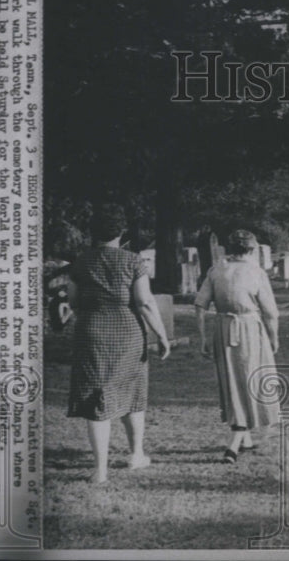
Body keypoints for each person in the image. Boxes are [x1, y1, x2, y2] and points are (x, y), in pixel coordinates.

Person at [66, 204, 171, 484]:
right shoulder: (133, 261)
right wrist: (161, 336)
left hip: (91, 334)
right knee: (132, 392)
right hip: (127, 333)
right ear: (120, 232)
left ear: (93, 232)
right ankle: (136, 455)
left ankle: (100, 471)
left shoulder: (81, 262)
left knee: (96, 397)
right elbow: (145, 302)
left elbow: (73, 301)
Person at [194, 229, 281, 464]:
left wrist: (202, 337)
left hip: (222, 329)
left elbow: (200, 305)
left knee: (233, 379)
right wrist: (274, 337)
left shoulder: (217, 270)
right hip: (248, 328)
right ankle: (234, 441)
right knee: (247, 379)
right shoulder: (255, 272)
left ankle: (245, 439)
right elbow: (270, 312)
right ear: (251, 250)